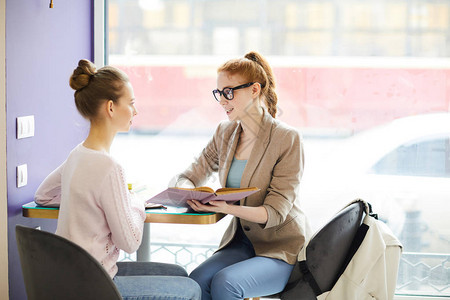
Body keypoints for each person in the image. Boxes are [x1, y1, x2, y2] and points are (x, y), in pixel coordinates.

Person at [34, 59, 201, 300]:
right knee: (192, 289)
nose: (136, 111)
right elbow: (130, 242)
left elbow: (43, 195)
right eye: (131, 103)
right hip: (94, 285)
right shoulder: (109, 167)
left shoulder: (78, 154)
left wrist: (87, 203)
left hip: (69, 275)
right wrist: (135, 202)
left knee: (178, 273)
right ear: (111, 107)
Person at [173, 51, 310, 300]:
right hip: (242, 243)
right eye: (219, 93)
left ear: (254, 90)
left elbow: (274, 213)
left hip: (281, 249)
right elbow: (190, 174)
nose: (223, 101)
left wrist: (225, 208)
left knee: (227, 283)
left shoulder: (287, 138)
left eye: (229, 92)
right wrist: (188, 191)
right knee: (197, 282)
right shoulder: (225, 133)